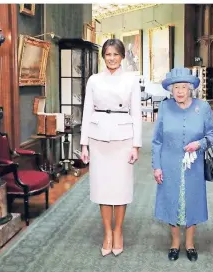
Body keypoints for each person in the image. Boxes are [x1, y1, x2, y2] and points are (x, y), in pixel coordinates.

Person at [80, 39, 142, 257]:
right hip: (98, 139)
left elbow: (136, 113)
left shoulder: (131, 80)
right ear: (103, 56)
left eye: (116, 54)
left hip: (123, 139)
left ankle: (118, 231)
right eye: (108, 54)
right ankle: (107, 232)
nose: (112, 58)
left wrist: (136, 145)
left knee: (120, 188)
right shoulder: (94, 80)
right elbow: (87, 112)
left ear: (122, 56)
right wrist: (84, 143)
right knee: (102, 188)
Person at [151, 68, 213, 262]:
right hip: (169, 162)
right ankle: (174, 243)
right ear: (171, 90)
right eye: (176, 87)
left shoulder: (203, 107)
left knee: (192, 201)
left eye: (184, 87)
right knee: (171, 199)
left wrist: (200, 144)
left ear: (190, 89)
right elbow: (156, 140)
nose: (180, 91)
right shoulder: (164, 107)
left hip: (194, 165)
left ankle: (189, 243)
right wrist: (157, 166)